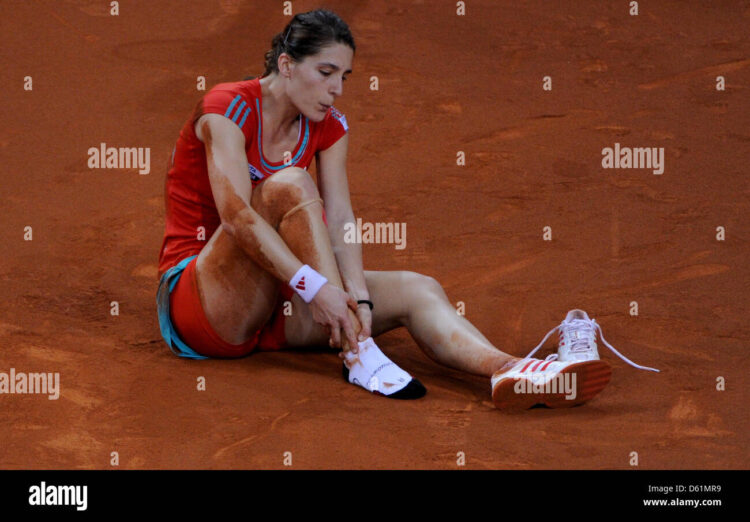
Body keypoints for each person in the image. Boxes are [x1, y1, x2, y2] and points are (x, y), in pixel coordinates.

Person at [156, 9, 657, 411]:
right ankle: (358, 352)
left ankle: (514, 371)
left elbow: (342, 219)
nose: (337, 89)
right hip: (203, 305)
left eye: (345, 76)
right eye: (326, 73)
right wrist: (317, 289)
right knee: (287, 184)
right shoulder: (226, 108)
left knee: (420, 289)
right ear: (287, 65)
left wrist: (357, 300)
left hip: (276, 306)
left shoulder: (329, 125)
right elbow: (237, 217)